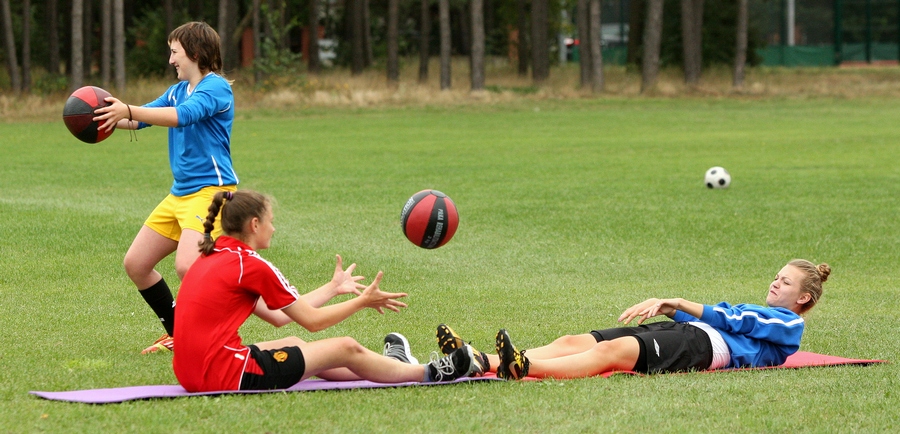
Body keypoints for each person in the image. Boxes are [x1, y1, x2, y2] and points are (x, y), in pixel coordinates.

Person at [172, 190, 485, 392]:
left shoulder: (213, 256)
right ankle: (432, 372)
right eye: (271, 221)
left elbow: (279, 317)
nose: (274, 228)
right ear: (254, 224)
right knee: (345, 347)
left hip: (190, 373)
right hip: (225, 375)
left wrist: (334, 288)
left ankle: (397, 366)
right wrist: (362, 301)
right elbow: (314, 322)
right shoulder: (251, 265)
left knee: (295, 343)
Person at [94, 22, 239, 354]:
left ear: (195, 54)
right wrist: (104, 117)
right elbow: (142, 118)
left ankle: (217, 332)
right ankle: (178, 333)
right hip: (180, 194)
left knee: (188, 265)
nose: (171, 59)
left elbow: (182, 117)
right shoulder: (176, 91)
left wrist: (128, 109)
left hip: (211, 192)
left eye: (175, 52)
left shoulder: (216, 89)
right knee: (136, 264)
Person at [434, 259, 829, 380]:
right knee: (578, 339)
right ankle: (482, 361)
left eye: (786, 281)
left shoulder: (790, 325)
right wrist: (668, 309)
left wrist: (679, 300)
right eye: (776, 276)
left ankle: (524, 366)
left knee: (616, 352)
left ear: (804, 297)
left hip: (709, 347)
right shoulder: (765, 310)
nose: (776, 283)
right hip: (691, 330)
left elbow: (736, 322)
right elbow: (728, 315)